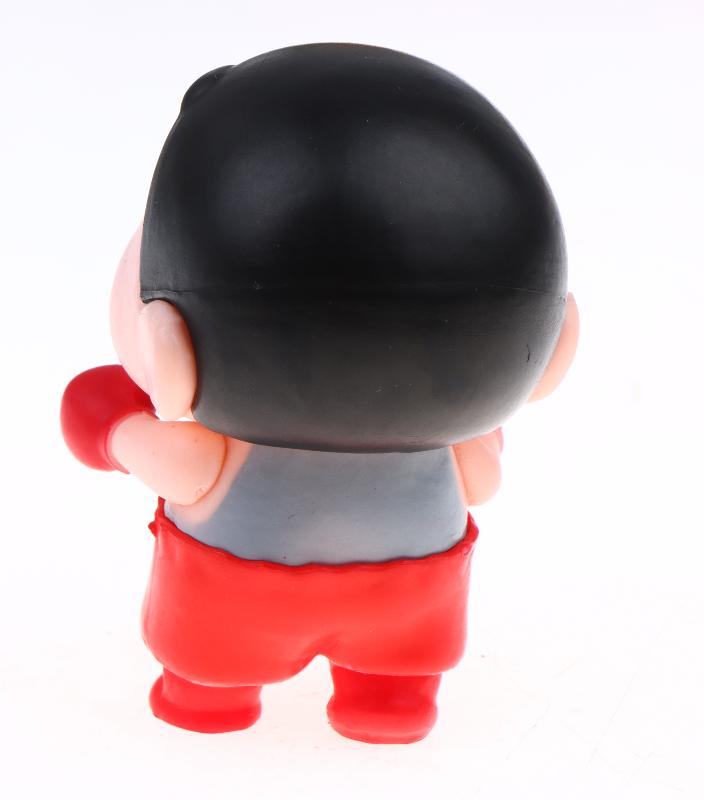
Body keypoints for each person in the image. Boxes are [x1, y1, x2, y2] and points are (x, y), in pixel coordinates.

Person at [61, 43, 579, 744]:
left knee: (214, 662)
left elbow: (117, 432)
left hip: (234, 603)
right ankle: (391, 699)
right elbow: (483, 483)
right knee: (402, 656)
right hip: (414, 601)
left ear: (173, 341)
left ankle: (208, 699)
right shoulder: (452, 442)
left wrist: (113, 423)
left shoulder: (203, 451)